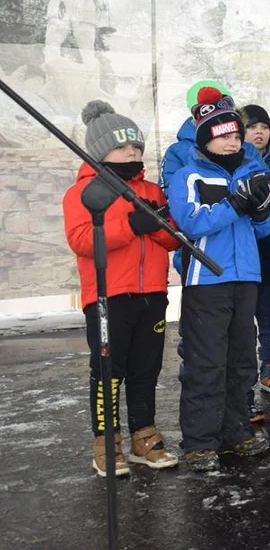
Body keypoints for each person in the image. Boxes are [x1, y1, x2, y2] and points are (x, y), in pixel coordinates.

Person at [64, 101, 180, 477]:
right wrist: (132, 225)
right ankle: (106, 441)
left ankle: (143, 434)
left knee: (146, 369)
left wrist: (157, 223)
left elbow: (172, 239)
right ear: (99, 152)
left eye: (136, 146)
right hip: (109, 296)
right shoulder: (84, 193)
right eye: (121, 147)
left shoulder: (149, 189)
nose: (132, 153)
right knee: (109, 370)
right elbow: (83, 241)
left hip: (152, 294)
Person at [168, 87, 270, 472]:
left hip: (247, 277)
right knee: (206, 362)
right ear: (206, 138)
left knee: (242, 360)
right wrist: (235, 204)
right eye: (224, 135)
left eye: (235, 135)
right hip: (207, 280)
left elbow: (263, 231)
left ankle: (236, 432)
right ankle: (199, 442)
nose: (232, 142)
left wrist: (261, 211)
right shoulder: (188, 174)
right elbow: (191, 224)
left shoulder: (252, 169)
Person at [240, 104, 270, 400]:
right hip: (244, 251)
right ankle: (242, 381)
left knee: (269, 313)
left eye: (264, 127)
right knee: (243, 319)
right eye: (253, 126)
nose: (259, 132)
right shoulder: (235, 161)